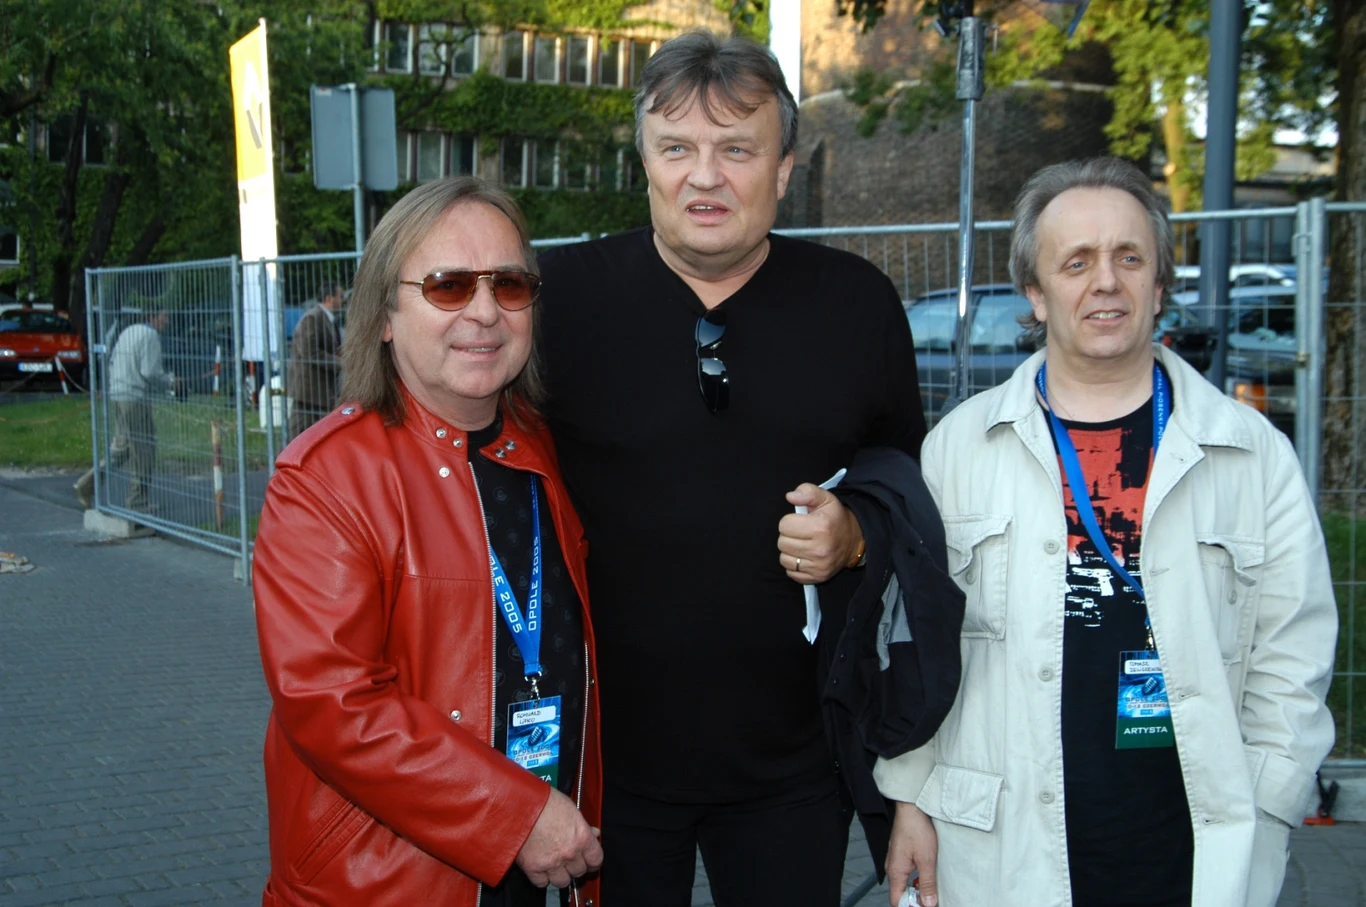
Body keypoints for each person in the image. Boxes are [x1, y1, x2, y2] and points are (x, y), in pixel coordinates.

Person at [876, 157, 1338, 907]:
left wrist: (1271, 799)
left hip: (1193, 841)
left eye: (1129, 257)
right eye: (1076, 262)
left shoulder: (1251, 454)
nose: (1105, 282)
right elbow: (918, 646)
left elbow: (1295, 649)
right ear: (1035, 292)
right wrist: (909, 796)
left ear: (1159, 285)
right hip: (1003, 845)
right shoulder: (959, 448)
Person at [536, 29, 927, 906]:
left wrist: (856, 534)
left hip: (796, 765)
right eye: (676, 148)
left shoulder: (857, 305)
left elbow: (909, 499)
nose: (703, 177)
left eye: (737, 150)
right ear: (644, 161)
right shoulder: (559, 302)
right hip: (605, 766)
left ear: (783, 168)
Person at [252, 177, 603, 907]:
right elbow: (335, 705)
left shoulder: (542, 450)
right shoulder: (324, 478)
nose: (485, 311)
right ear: (385, 314)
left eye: (509, 284)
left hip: (541, 862)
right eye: (449, 285)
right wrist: (516, 814)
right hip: (388, 880)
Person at [74, 307, 173, 511]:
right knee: (143, 450)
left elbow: (112, 361)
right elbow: (150, 372)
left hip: (117, 393)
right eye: (164, 316)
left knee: (122, 448)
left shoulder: (128, 331)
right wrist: (171, 381)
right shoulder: (150, 335)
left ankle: (86, 484)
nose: (168, 321)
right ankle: (137, 502)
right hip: (134, 398)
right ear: (152, 316)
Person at [286, 280, 345, 436]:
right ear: (328, 298)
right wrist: (342, 363)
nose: (343, 300)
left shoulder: (328, 320)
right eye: (340, 296)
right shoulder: (312, 318)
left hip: (320, 392)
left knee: (317, 436)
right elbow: (309, 352)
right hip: (307, 392)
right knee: (297, 437)